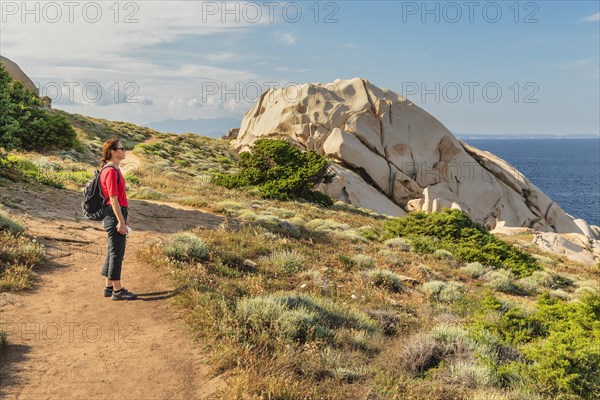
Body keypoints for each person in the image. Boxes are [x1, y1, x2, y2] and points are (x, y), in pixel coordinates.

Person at [99, 138, 137, 300]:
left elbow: (118, 199)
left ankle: (109, 287)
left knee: (112, 251)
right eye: (122, 148)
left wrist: (124, 218)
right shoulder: (111, 171)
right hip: (114, 214)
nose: (124, 151)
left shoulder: (112, 169)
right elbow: (113, 198)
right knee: (117, 254)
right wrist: (120, 221)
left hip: (116, 213)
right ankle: (118, 291)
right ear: (113, 152)